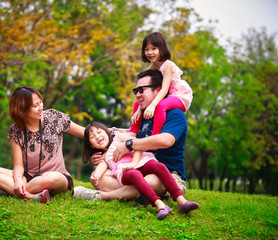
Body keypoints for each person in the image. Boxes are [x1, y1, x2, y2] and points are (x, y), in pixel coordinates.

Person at [73, 70, 198, 214]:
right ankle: (140, 194)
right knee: (100, 177)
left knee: (152, 180)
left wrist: (130, 144)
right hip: (137, 169)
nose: (137, 95)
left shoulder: (175, 114)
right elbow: (128, 133)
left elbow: (165, 140)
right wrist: (104, 153)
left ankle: (102, 196)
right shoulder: (144, 114)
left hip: (168, 173)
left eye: (141, 90)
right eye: (135, 91)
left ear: (158, 91)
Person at [76, 121, 198, 219]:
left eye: (99, 132)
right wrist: (96, 175)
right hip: (125, 171)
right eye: (92, 137)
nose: (98, 136)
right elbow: (102, 166)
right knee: (135, 174)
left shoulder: (120, 138)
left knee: (159, 166)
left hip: (141, 161)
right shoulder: (102, 156)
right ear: (91, 145)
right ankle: (159, 204)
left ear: (106, 132)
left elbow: (137, 145)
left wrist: (134, 162)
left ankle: (181, 200)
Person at [0, 86, 84, 203]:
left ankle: (9, 190)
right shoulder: (15, 130)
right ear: (21, 110)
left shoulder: (54, 117)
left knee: (51, 178)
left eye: (40, 102)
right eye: (35, 106)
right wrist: (18, 180)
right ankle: (31, 196)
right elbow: (18, 165)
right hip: (28, 177)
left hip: (57, 177)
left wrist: (109, 132)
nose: (41, 108)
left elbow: (85, 132)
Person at [130, 32, 193, 135]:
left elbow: (164, 89)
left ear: (162, 48)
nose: (150, 52)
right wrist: (139, 110)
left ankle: (155, 136)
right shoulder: (151, 68)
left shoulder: (168, 65)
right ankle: (132, 132)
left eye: (154, 49)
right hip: (165, 95)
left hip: (177, 95)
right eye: (146, 49)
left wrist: (152, 106)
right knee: (137, 103)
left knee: (160, 106)